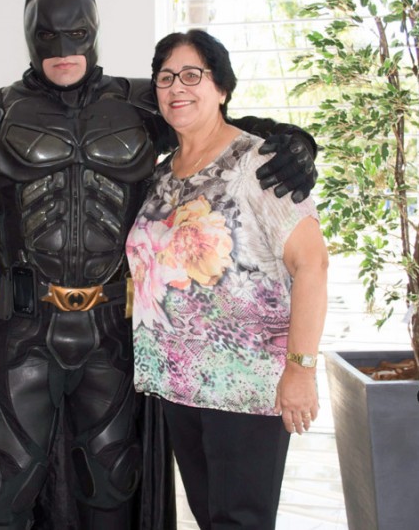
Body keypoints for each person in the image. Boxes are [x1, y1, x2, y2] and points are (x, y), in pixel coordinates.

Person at [0, 0, 318, 530]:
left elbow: (216, 130)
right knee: (1, 481)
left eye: (76, 33)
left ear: (94, 30)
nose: (63, 49)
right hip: (20, 330)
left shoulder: (140, 105)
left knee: (113, 479)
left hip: (111, 332)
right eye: (48, 35)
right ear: (29, 36)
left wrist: (292, 141)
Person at [126, 29, 329, 530]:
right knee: (210, 517)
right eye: (166, 77)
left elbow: (313, 265)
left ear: (222, 87)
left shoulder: (258, 163)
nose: (177, 87)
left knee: (240, 521)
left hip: (247, 384)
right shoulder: (161, 175)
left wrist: (301, 369)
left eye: (192, 74)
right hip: (180, 385)